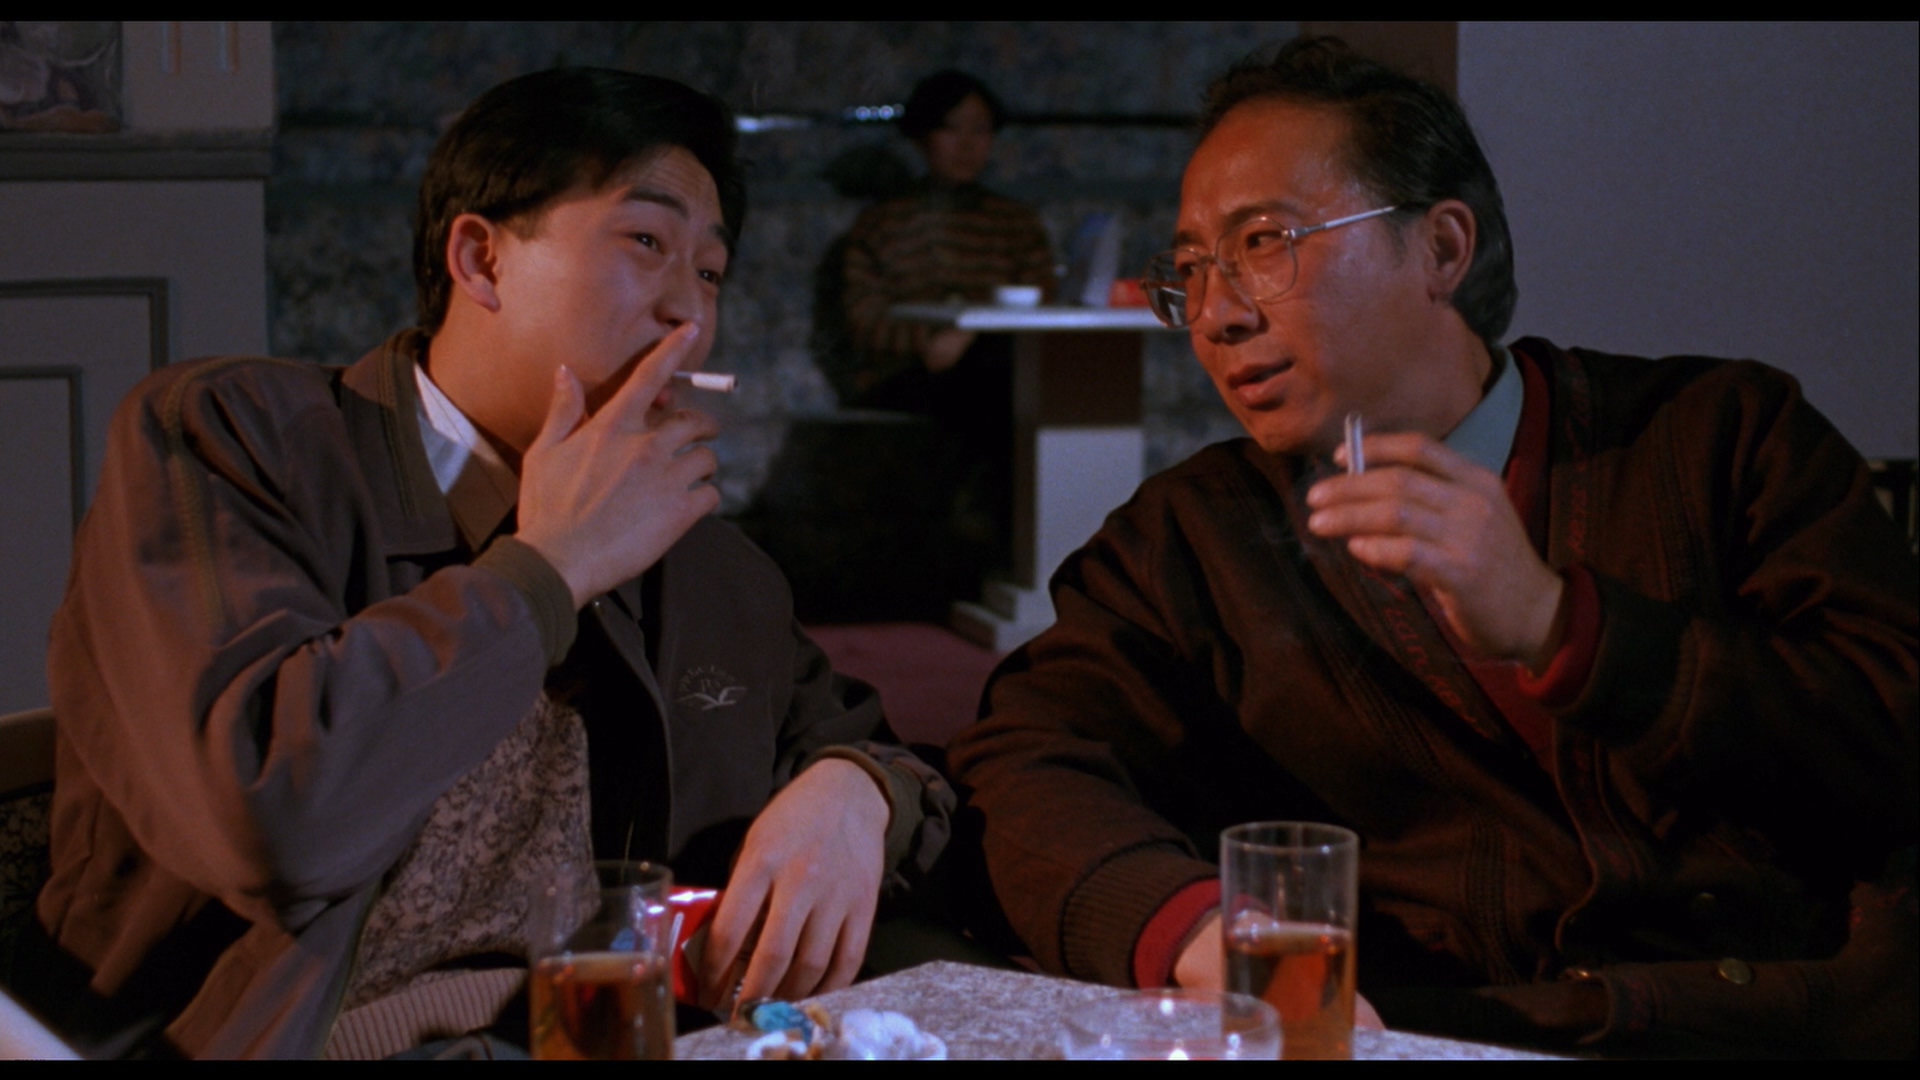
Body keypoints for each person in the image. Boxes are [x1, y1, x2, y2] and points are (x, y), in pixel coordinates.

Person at [947, 38, 1917, 1057]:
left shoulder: (1716, 436)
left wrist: (1561, 626)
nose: (1218, 316)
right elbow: (1020, 762)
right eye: (1192, 269)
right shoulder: (1192, 536)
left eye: (1265, 242)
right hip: (1431, 1037)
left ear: (1443, 250)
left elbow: (1891, 734)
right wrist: (1200, 935)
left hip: (1782, 1020)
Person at [18, 67, 952, 1059]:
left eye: (712, 272)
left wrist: (859, 791)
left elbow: (879, 749)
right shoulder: (239, 443)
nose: (688, 311)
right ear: (480, 258)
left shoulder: (701, 556)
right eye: (645, 241)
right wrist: (550, 567)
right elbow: (271, 818)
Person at [837, 71, 1056, 586]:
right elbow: (862, 321)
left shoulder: (1016, 222)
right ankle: (987, 552)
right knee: (995, 395)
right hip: (904, 376)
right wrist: (928, 343)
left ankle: (1011, 557)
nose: (967, 144)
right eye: (952, 129)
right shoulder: (883, 224)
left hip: (994, 370)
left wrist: (969, 336)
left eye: (981, 130)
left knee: (1005, 384)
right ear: (922, 137)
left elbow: (1042, 304)